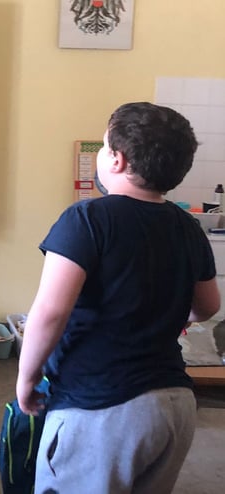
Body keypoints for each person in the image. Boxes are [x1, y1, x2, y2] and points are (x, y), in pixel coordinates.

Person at [16, 102, 221, 493]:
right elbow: (208, 306)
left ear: (117, 159)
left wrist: (27, 377)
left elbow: (50, 312)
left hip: (102, 408)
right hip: (174, 404)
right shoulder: (187, 226)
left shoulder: (86, 219)